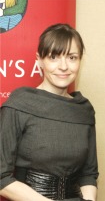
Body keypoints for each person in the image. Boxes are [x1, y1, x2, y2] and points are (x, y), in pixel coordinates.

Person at [0, 23, 99, 201]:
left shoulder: (84, 109)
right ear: (39, 59)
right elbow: (2, 177)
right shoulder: (18, 104)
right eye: (54, 57)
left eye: (72, 57)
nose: (63, 66)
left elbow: (89, 174)